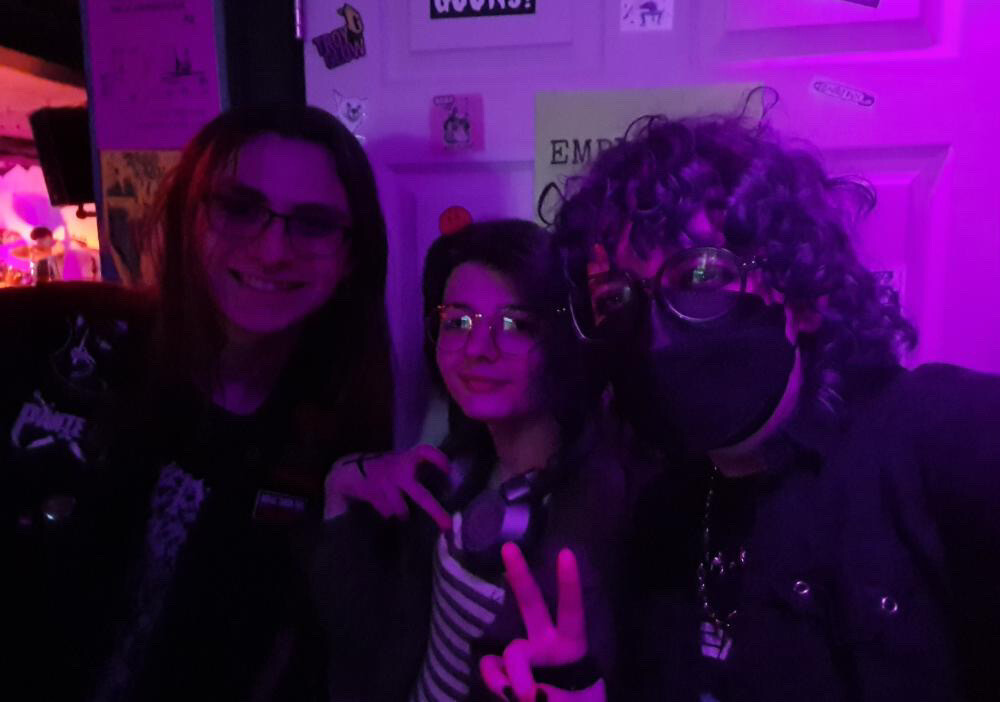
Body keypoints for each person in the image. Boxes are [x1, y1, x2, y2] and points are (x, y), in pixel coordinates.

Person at [488, 98, 1000, 701]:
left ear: (801, 294)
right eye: (616, 298)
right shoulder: (661, 517)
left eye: (701, 276)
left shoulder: (934, 440)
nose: (657, 334)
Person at [1, 104, 394, 701]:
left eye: (313, 223)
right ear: (189, 217)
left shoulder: (334, 442)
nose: (272, 250)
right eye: (239, 208)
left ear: (351, 260)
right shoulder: (53, 336)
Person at [312, 219, 626, 701]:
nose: (478, 349)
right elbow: (363, 633)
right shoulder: (455, 465)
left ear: (563, 340)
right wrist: (340, 488)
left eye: (515, 325)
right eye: (458, 322)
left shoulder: (594, 509)